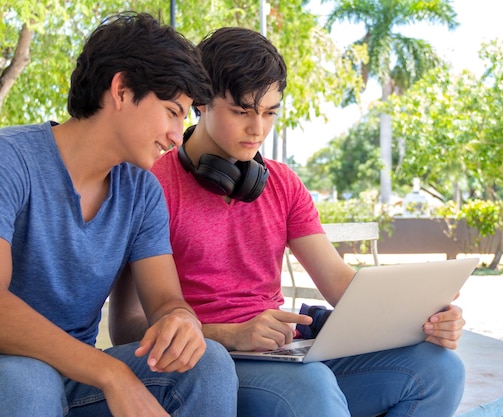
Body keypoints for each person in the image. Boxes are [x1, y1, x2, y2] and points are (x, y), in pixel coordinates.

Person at [109, 26, 466, 417]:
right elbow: (127, 329)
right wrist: (232, 336)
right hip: (212, 365)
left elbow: (339, 284)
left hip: (285, 355)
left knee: (439, 370)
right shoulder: (150, 183)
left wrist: (425, 317)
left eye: (269, 112)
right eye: (242, 111)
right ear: (202, 102)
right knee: (311, 388)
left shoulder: (282, 184)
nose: (257, 129)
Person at [0, 12, 238, 417]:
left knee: (209, 364)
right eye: (172, 111)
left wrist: (180, 322)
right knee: (30, 383)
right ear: (122, 90)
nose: (177, 136)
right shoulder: (11, 159)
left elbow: (165, 300)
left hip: (79, 379)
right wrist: (112, 373)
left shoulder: (142, 191)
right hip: (12, 370)